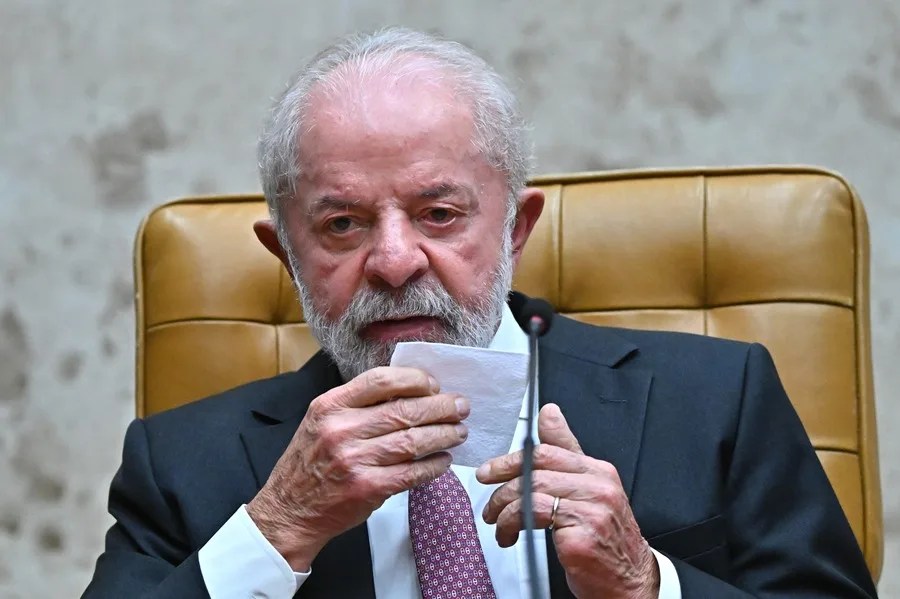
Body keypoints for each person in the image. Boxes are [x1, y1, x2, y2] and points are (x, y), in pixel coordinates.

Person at [82, 27, 878, 598]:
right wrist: (277, 528)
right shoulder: (181, 463)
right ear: (284, 254)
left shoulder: (714, 398)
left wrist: (648, 583)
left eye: (438, 213)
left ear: (515, 228)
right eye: (341, 225)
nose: (394, 262)